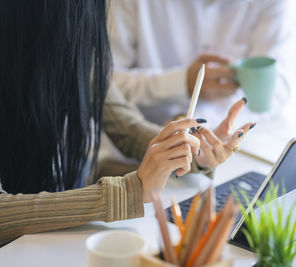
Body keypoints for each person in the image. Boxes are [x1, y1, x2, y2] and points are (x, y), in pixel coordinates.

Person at [0, 0, 253, 246]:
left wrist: (189, 149)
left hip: (55, 240)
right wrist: (130, 190)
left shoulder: (72, 51)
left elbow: (127, 128)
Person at [108, 0, 288, 123]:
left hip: (228, 147)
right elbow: (100, 85)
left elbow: (277, 88)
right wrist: (182, 83)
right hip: (135, 151)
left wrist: (202, 123)